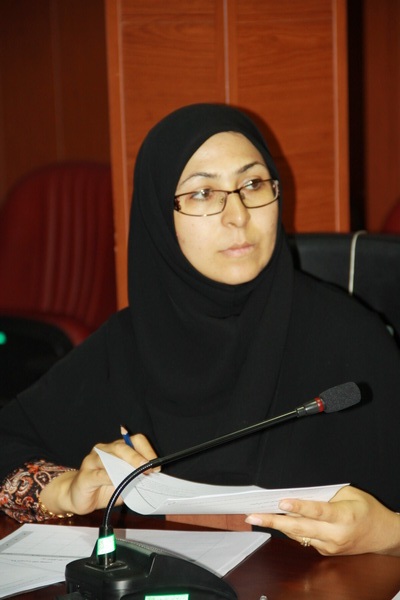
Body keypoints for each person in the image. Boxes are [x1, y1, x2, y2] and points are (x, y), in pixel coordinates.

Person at [0, 104, 399, 557]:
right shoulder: (126, 345)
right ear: (159, 216)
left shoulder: (352, 340)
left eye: (252, 184)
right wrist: (65, 491)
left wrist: (387, 533)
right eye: (204, 193)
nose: (238, 215)